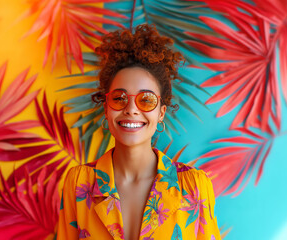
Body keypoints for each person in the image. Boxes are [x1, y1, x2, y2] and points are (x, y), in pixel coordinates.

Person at [57, 24, 221, 240]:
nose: (131, 109)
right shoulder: (79, 183)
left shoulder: (193, 187)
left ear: (161, 112)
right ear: (106, 107)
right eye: (119, 98)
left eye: (146, 100)